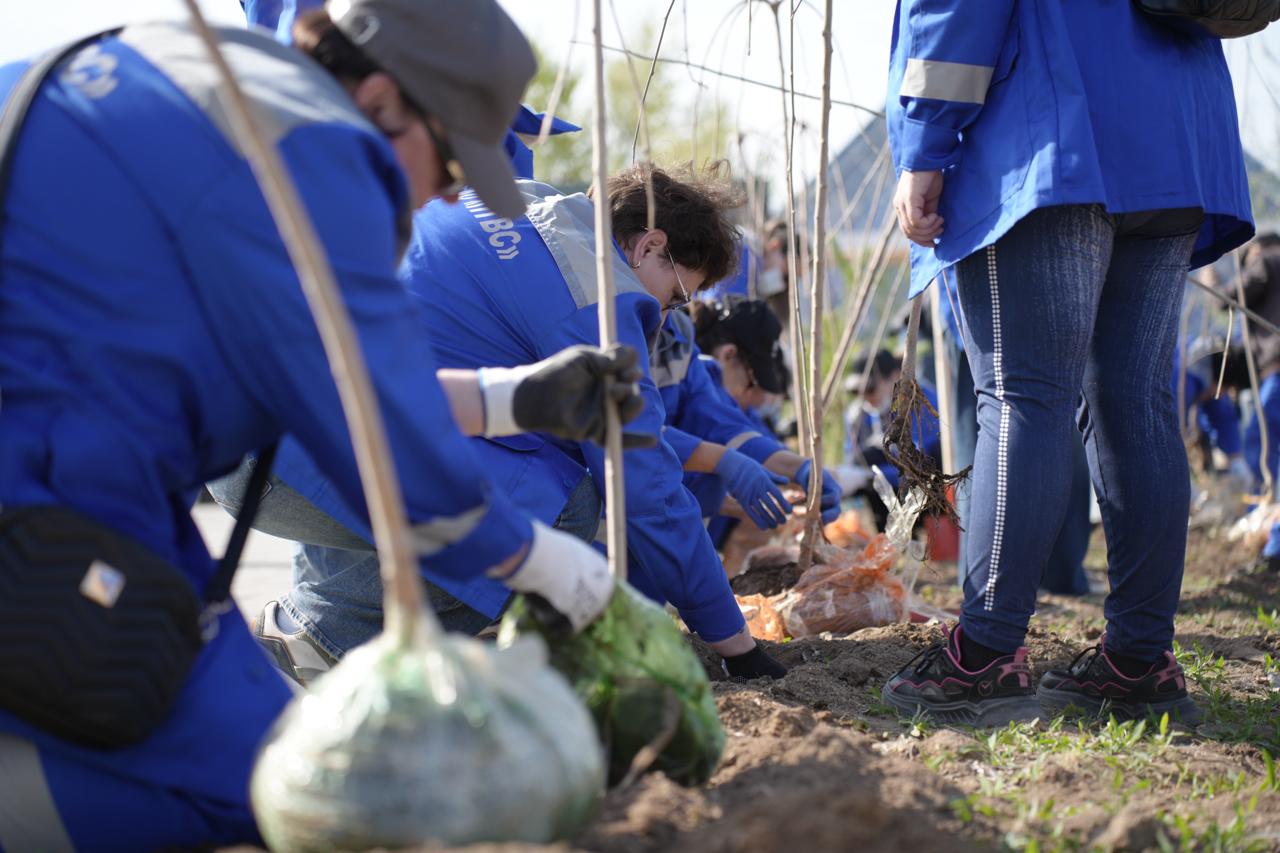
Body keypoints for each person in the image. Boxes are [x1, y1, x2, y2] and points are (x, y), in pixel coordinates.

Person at [0, 2, 644, 847]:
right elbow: (397, 457)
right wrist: (554, 565)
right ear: (380, 101)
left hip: (73, 459)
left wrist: (507, 400)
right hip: (48, 487)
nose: (451, 192)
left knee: (253, 748)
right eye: (452, 160)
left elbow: (333, 375)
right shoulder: (321, 150)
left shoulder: (207, 70)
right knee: (276, 784)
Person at [882, 0, 1253, 726]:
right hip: (1173, 129)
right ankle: (1138, 659)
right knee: (1135, 399)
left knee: (1024, 395)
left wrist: (925, 144)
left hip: (1048, 121)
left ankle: (984, 653)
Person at [663, 297, 842, 539]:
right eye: (752, 383)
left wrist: (802, 469)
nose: (749, 400)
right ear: (728, 355)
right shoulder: (700, 375)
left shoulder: (700, 377)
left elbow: (732, 433)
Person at [843, 349, 940, 532]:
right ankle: (887, 537)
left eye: (870, 388)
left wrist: (867, 477)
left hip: (926, 486)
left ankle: (924, 531)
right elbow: (851, 456)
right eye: (857, 391)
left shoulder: (922, 402)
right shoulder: (856, 415)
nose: (865, 397)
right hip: (885, 490)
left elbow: (919, 460)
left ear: (895, 377)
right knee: (862, 459)